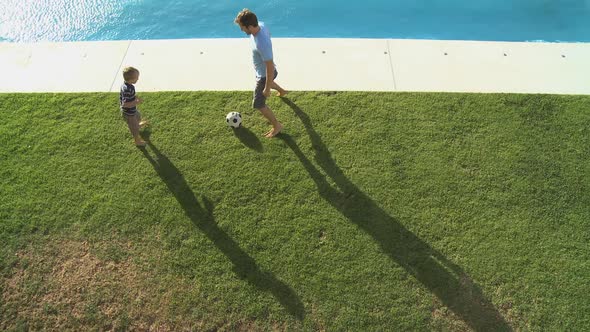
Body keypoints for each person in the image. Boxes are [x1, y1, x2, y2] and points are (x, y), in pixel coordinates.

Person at [235, 8, 287, 138]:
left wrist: (267, 88)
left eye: (243, 27)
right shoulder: (261, 25)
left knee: (258, 103)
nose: (242, 30)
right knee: (270, 79)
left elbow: (269, 67)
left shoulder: (261, 43)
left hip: (265, 74)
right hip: (267, 71)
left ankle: (277, 126)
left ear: (251, 26)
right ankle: (282, 91)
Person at [119, 66, 148, 146]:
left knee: (138, 116)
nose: (138, 79)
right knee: (134, 128)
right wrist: (136, 102)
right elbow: (124, 104)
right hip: (128, 113)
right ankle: (137, 141)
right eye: (136, 78)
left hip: (133, 110)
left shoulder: (129, 85)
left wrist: (136, 97)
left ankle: (138, 125)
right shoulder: (127, 89)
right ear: (131, 79)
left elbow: (132, 95)